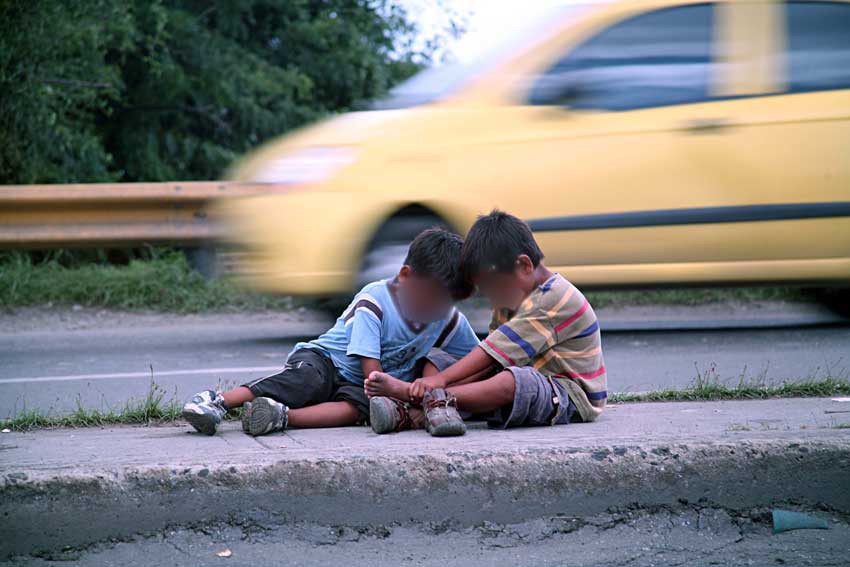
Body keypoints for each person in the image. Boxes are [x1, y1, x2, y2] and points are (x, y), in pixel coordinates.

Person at [181, 227, 480, 436]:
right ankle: (217, 402)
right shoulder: (375, 301)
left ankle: (279, 416)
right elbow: (371, 375)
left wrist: (442, 385)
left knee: (357, 410)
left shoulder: (448, 319)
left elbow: (479, 356)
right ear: (405, 277)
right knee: (306, 381)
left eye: (446, 301)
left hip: (363, 388)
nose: (436, 308)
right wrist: (403, 394)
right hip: (326, 361)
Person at [365, 210, 607, 434]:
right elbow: (493, 361)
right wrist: (442, 374)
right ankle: (424, 412)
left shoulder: (553, 299)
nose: (492, 296)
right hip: (522, 379)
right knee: (439, 358)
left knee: (512, 381)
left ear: (523, 265)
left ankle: (418, 400)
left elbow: (490, 355)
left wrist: (439, 382)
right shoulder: (510, 298)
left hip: (568, 394)